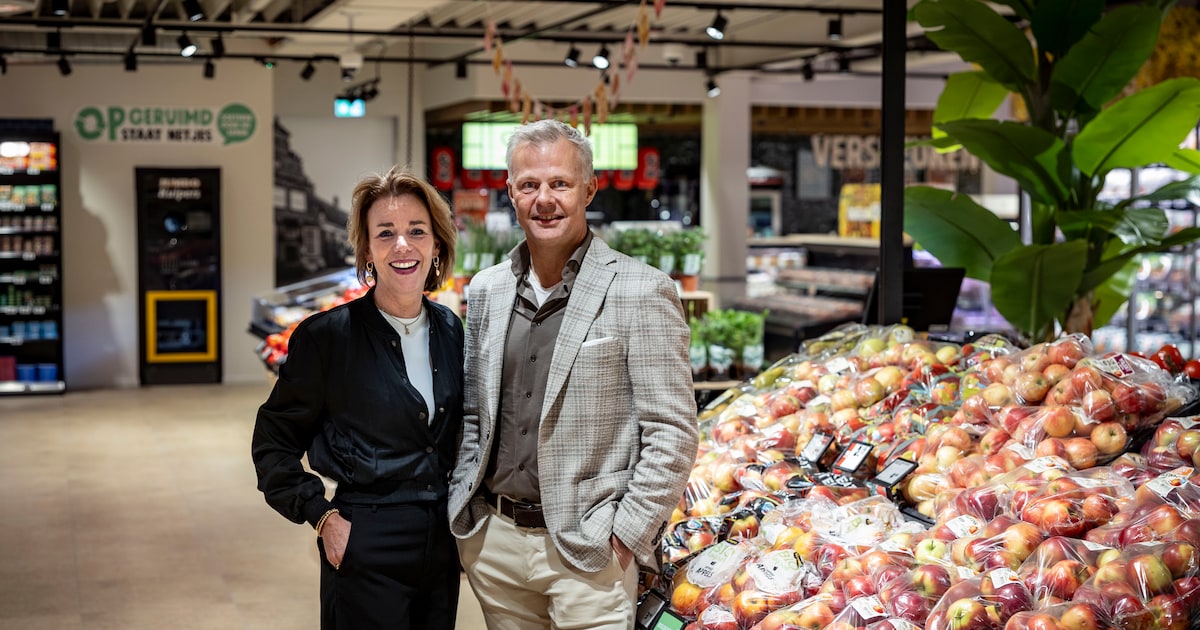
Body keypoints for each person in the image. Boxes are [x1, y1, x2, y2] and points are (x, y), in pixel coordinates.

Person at [449, 119, 699, 629]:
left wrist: (626, 535)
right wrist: (467, 517)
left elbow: (672, 431)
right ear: (511, 194)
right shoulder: (487, 290)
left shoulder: (641, 290)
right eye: (529, 184)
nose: (545, 199)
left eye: (559, 183)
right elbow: (475, 412)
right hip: (494, 543)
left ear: (589, 188)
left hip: (590, 553)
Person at [252, 167, 462, 629]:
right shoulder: (327, 338)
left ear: (436, 244)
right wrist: (321, 515)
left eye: (416, 231)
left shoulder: (452, 331)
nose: (402, 246)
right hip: (366, 537)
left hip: (443, 542)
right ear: (367, 250)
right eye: (385, 233)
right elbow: (273, 442)